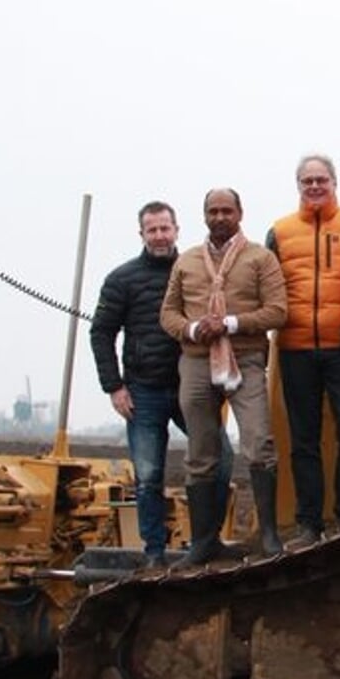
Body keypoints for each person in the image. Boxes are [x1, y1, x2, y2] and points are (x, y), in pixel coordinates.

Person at [90, 200, 231, 568]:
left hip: (192, 386)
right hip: (144, 392)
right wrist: (114, 387)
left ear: (177, 230)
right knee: (149, 475)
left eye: (165, 228)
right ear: (142, 234)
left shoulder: (197, 271)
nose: (159, 236)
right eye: (152, 230)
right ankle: (153, 553)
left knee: (221, 459)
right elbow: (101, 333)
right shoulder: (122, 280)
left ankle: (207, 541)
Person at [160, 187, 287, 564]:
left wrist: (232, 323)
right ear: (204, 216)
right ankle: (203, 541)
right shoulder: (186, 262)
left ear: (240, 213)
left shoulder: (260, 259)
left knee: (258, 442)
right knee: (200, 452)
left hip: (245, 359)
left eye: (226, 211)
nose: (219, 217)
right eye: (213, 211)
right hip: (196, 362)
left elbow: (278, 311)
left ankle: (268, 534)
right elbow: (168, 314)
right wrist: (194, 329)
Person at [266, 153, 340, 542]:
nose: (314, 187)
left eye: (321, 180)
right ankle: (309, 522)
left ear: (334, 182)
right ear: (298, 185)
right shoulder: (279, 231)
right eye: (307, 181)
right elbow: (267, 287)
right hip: (295, 348)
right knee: (303, 439)